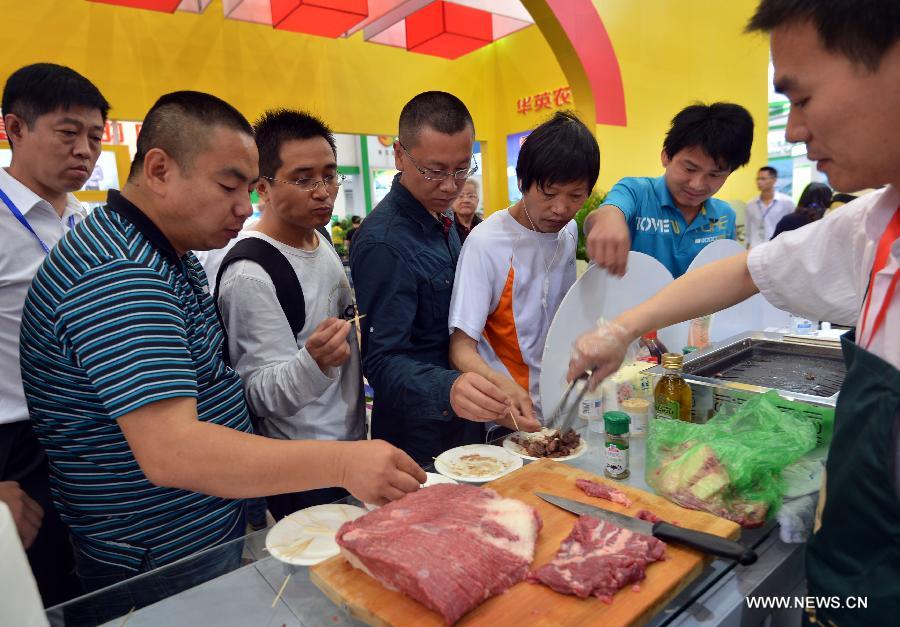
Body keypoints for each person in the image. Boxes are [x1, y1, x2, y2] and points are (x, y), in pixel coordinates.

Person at [568, 1, 900, 623]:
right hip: (853, 583)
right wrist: (618, 329)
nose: (794, 131)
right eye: (689, 168)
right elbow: (748, 271)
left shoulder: (736, 216)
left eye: (801, 98)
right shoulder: (871, 226)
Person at [19, 91, 424, 595]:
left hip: (205, 528)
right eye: (229, 185)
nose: (243, 206)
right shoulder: (120, 271)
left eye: (249, 188)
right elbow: (173, 451)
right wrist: (342, 462)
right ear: (161, 170)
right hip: (156, 550)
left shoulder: (170, 252)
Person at [350, 91, 539, 465]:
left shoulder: (443, 219)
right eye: (434, 171)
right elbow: (382, 361)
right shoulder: (384, 243)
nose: (450, 186)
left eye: (461, 169)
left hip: (466, 420)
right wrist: (449, 387)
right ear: (400, 155)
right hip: (418, 436)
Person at [217, 109, 366, 519]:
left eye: (330, 175)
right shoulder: (251, 274)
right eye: (303, 179)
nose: (323, 191)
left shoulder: (318, 239)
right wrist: (313, 362)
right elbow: (258, 392)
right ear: (262, 188)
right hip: (304, 470)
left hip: (350, 445)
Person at [0, 62, 108, 606]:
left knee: (85, 585)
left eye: (94, 136)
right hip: (15, 445)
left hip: (84, 436)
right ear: (14, 129)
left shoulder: (86, 223)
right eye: (68, 133)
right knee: (28, 599)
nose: (84, 151)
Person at [448, 111, 599, 423]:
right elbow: (461, 349)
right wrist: (501, 387)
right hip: (509, 414)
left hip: (564, 402)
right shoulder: (485, 243)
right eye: (549, 193)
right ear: (522, 182)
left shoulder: (568, 232)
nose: (561, 208)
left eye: (575, 196)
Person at [584, 102, 753, 278]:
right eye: (689, 169)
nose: (697, 184)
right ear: (666, 156)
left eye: (714, 175)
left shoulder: (725, 216)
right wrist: (607, 219)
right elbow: (606, 214)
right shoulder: (636, 192)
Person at [745, 165, 795, 246]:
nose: (759, 182)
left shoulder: (787, 202)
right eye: (758, 179)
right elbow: (748, 229)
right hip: (756, 248)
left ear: (774, 180)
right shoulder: (750, 204)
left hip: (778, 247)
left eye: (763, 179)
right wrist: (747, 245)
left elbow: (792, 227)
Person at [452, 179, 482, 244]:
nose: (466, 200)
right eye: (460, 196)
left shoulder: (484, 227)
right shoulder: (446, 228)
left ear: (477, 200)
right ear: (452, 201)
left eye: (471, 196)